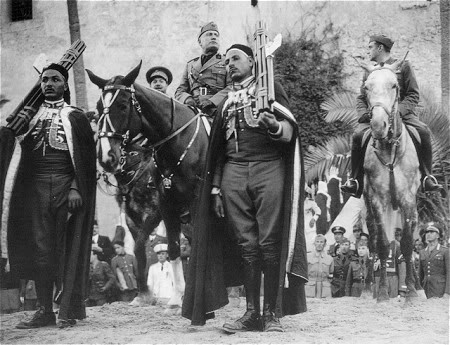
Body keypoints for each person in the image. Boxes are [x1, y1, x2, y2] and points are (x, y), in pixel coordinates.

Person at [183, 43, 307, 331]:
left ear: (253, 63)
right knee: (247, 245)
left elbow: (290, 131)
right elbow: (217, 152)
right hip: (233, 175)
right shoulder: (226, 102)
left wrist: (274, 126)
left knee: (269, 242)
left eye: (235, 58)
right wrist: (215, 188)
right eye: (226, 61)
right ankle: (251, 313)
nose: (229, 64)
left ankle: (272, 313)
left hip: (269, 168)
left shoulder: (270, 89)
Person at [4, 63, 97, 329]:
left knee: (66, 249)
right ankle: (45, 310)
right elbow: (15, 151)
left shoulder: (75, 116)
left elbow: (85, 160)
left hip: (66, 188)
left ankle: (66, 309)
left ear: (65, 85)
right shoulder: (28, 116)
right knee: (40, 249)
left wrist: (76, 187)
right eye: (45, 80)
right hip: (34, 189)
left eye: (55, 79)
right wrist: (16, 129)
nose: (49, 84)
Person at [341, 34, 444, 197]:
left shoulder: (403, 67)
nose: (368, 51)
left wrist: (398, 112)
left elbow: (413, 94)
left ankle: (426, 177)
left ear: (380, 48)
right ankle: (355, 180)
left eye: (370, 47)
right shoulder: (370, 71)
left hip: (401, 115)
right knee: (357, 136)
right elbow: (362, 97)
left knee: (423, 131)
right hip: (375, 115)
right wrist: (364, 114)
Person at [174, 22, 231, 116]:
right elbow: (180, 91)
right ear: (200, 42)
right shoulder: (190, 65)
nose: (213, 37)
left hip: (217, 111)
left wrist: (212, 101)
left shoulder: (227, 61)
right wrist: (188, 99)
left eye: (216, 35)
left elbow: (232, 87)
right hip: (193, 111)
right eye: (209, 34)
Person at [418, 223, 449, 298]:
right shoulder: (422, 252)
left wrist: (448, 292)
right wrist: (419, 289)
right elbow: (420, 274)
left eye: (432, 232)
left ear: (438, 235)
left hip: (440, 290)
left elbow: (449, 272)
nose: (428, 234)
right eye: (427, 232)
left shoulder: (445, 251)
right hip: (426, 289)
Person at [304, 185, 321, 253]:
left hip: (309, 224)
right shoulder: (296, 202)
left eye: (305, 193)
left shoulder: (310, 202)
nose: (304, 195)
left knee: (312, 241)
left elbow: (318, 211)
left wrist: (314, 219)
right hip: (300, 226)